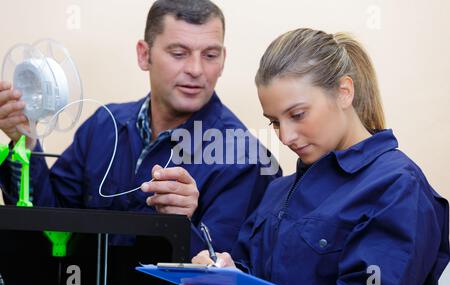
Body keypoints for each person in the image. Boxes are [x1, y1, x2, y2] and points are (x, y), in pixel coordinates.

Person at [178, 28, 450, 285]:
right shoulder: (277, 192)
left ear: (344, 92)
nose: (285, 136)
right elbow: (255, 276)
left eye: (297, 114)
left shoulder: (398, 188)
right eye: (274, 121)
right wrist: (227, 275)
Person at [0, 0, 280, 258]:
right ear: (144, 55)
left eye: (210, 55)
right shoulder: (103, 126)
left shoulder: (245, 160)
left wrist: (183, 224)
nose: (196, 69)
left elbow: (227, 281)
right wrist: (25, 141)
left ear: (223, 60)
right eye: (179, 53)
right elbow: (52, 226)